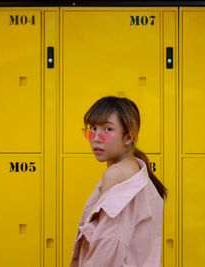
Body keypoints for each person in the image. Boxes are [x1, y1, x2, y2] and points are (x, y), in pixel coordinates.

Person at [70, 96, 167, 267]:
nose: (96, 137)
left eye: (107, 129)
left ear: (128, 137)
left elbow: (108, 246)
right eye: (92, 128)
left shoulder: (116, 175)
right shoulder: (138, 171)